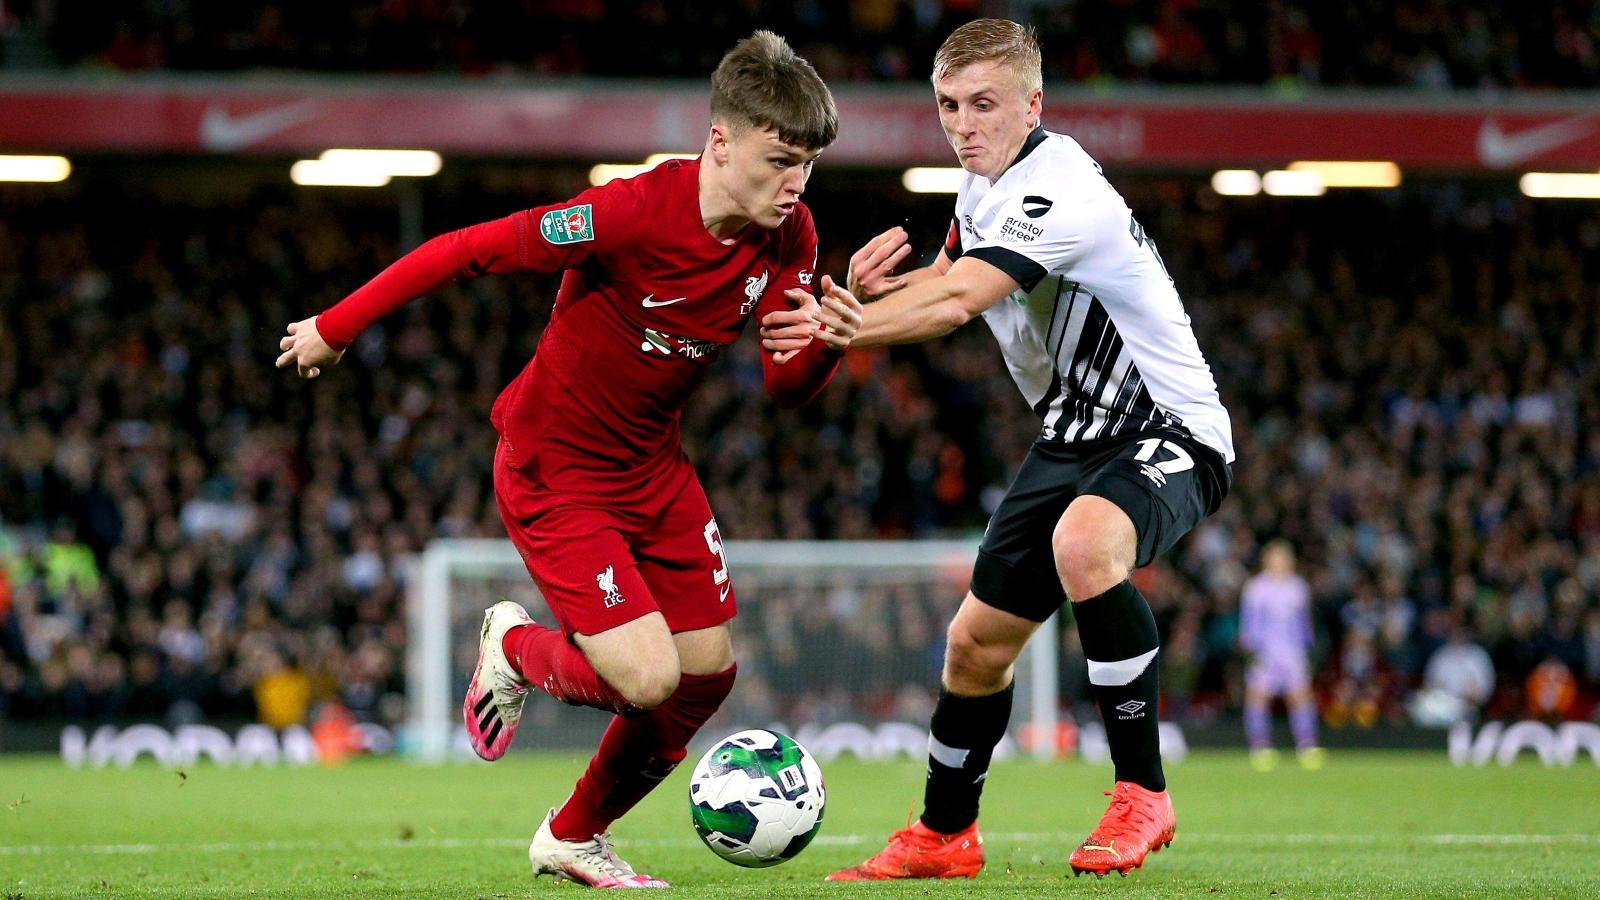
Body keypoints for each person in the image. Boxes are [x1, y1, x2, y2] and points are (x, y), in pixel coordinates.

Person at [276, 31, 862, 889]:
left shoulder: (791, 234)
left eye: (807, 163)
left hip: (654, 471)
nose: (796, 182)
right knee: (651, 678)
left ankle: (573, 835)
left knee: (707, 675)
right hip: (556, 471)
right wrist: (337, 325)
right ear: (721, 141)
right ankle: (514, 647)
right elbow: (467, 248)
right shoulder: (628, 213)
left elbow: (785, 386)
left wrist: (830, 341)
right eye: (780, 159)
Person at [808, 18, 1234, 881]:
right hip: (1071, 438)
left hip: (1170, 429)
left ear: (1032, 104)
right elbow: (944, 275)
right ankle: (943, 834)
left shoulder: (1061, 189)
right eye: (948, 106)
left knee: (1085, 544)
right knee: (975, 644)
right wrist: (862, 298)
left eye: (984, 105)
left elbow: (962, 298)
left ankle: (1143, 793)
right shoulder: (982, 188)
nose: (963, 124)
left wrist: (839, 328)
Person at [1238, 540, 1323, 771]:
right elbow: (1249, 623)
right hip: (1265, 652)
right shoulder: (1256, 588)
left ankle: (1307, 745)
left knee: (1300, 696)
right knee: (1258, 696)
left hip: (1292, 651)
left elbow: (1304, 623)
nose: (1279, 562)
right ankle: (1260, 746)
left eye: (1283, 557)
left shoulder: (1298, 587)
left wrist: (1308, 647)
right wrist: (1250, 648)